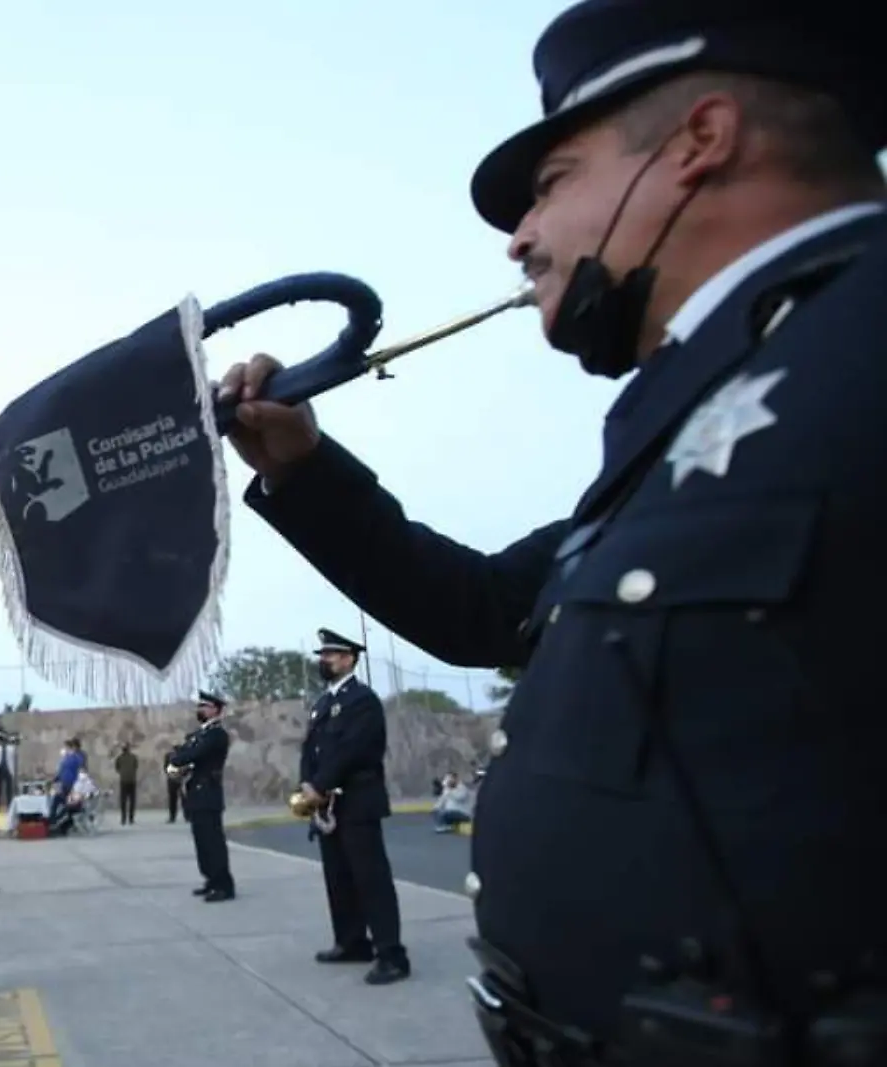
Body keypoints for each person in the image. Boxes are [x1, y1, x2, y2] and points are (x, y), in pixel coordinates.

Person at [216, 0, 887, 1056]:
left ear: (698, 143)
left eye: (552, 184)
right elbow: (486, 607)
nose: (521, 235)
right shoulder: (704, 407)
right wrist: (301, 470)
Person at [299, 629, 408, 986]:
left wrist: (320, 783)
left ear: (349, 659)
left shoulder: (363, 700)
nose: (324, 660)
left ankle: (391, 954)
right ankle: (351, 942)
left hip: (357, 801)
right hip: (329, 804)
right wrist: (307, 782)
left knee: (370, 879)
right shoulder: (322, 703)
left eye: (331, 654)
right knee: (339, 878)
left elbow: (355, 749)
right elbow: (310, 748)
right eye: (322, 654)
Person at [167, 691, 234, 902]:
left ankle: (223, 885)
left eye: (205, 706)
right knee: (202, 842)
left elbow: (189, 754)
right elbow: (180, 753)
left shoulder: (216, 735)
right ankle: (210, 880)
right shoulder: (199, 734)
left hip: (208, 793)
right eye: (200, 706)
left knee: (213, 842)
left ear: (216, 710)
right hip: (195, 793)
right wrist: (179, 758)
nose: (200, 710)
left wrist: (180, 758)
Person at [112, 743, 139, 825]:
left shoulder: (119, 758)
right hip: (132, 780)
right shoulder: (133, 757)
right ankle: (131, 818)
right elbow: (136, 766)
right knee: (132, 800)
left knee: (123, 801)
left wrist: (122, 773)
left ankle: (123, 818)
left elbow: (117, 768)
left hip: (123, 780)